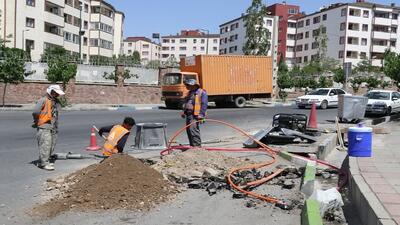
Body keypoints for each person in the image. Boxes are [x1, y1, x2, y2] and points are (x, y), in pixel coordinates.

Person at [32, 85, 65, 171]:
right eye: (56, 93)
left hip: (53, 126)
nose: (58, 95)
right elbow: (35, 112)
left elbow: (58, 111)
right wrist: (37, 121)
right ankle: (44, 163)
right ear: (51, 92)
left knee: (51, 145)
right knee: (45, 145)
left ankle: (43, 160)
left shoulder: (55, 101)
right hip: (44, 126)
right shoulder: (43, 100)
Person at [181, 79, 208, 147]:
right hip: (189, 114)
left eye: (188, 85)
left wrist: (201, 114)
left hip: (195, 115)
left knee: (193, 130)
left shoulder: (201, 92)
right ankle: (192, 146)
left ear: (194, 85)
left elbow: (204, 104)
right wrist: (184, 111)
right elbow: (187, 102)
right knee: (189, 130)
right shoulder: (190, 93)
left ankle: (197, 146)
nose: (187, 86)